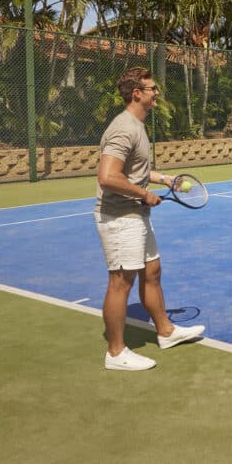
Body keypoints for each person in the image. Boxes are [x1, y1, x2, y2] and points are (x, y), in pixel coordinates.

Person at [95, 67, 204, 371]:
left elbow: (136, 173)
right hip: (120, 218)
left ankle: (166, 331)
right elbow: (107, 177)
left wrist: (165, 179)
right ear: (137, 94)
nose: (157, 93)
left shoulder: (137, 126)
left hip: (135, 216)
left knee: (152, 271)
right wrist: (144, 195)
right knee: (121, 282)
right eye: (152, 88)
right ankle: (116, 353)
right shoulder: (123, 128)